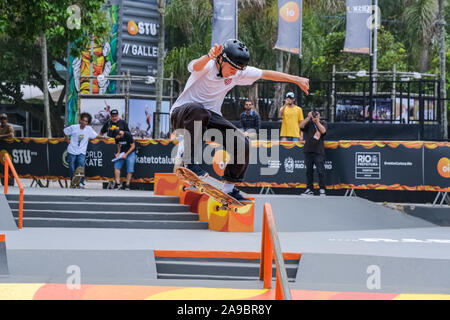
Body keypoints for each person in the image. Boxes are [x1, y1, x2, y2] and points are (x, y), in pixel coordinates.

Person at [170, 39, 309, 202]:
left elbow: (266, 73)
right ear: (221, 60)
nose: (234, 73)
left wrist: (296, 79)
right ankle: (188, 161)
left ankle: (229, 188)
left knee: (242, 143)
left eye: (237, 70)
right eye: (231, 69)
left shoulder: (238, 72)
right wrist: (209, 56)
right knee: (198, 110)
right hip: (182, 115)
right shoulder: (209, 65)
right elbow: (195, 66)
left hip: (209, 119)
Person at [63, 113, 98, 189]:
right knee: (72, 167)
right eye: (83, 120)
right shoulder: (74, 127)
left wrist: (105, 138)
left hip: (81, 151)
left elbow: (96, 136)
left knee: (81, 167)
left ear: (87, 122)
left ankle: (81, 183)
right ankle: (73, 182)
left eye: (86, 121)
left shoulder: (89, 129)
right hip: (72, 150)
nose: (84, 122)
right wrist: (67, 140)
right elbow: (65, 131)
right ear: (80, 120)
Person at [299, 110, 327, 196]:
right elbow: (301, 126)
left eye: (317, 114)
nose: (315, 116)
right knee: (309, 171)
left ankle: (322, 189)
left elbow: (323, 131)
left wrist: (317, 122)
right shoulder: (308, 123)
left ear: (319, 115)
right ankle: (309, 189)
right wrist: (308, 118)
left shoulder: (323, 122)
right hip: (308, 150)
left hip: (318, 151)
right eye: (314, 115)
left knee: (320, 171)